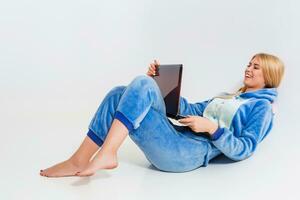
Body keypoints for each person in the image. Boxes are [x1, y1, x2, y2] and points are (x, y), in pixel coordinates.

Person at [40, 53, 285, 177]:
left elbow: (246, 147)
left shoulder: (262, 107)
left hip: (188, 152)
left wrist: (212, 128)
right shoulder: (227, 97)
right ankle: (79, 160)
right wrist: (159, 85)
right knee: (119, 93)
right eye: (249, 64)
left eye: (256, 67)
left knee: (141, 86)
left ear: (269, 76)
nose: (248, 68)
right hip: (175, 138)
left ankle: (108, 153)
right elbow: (188, 110)